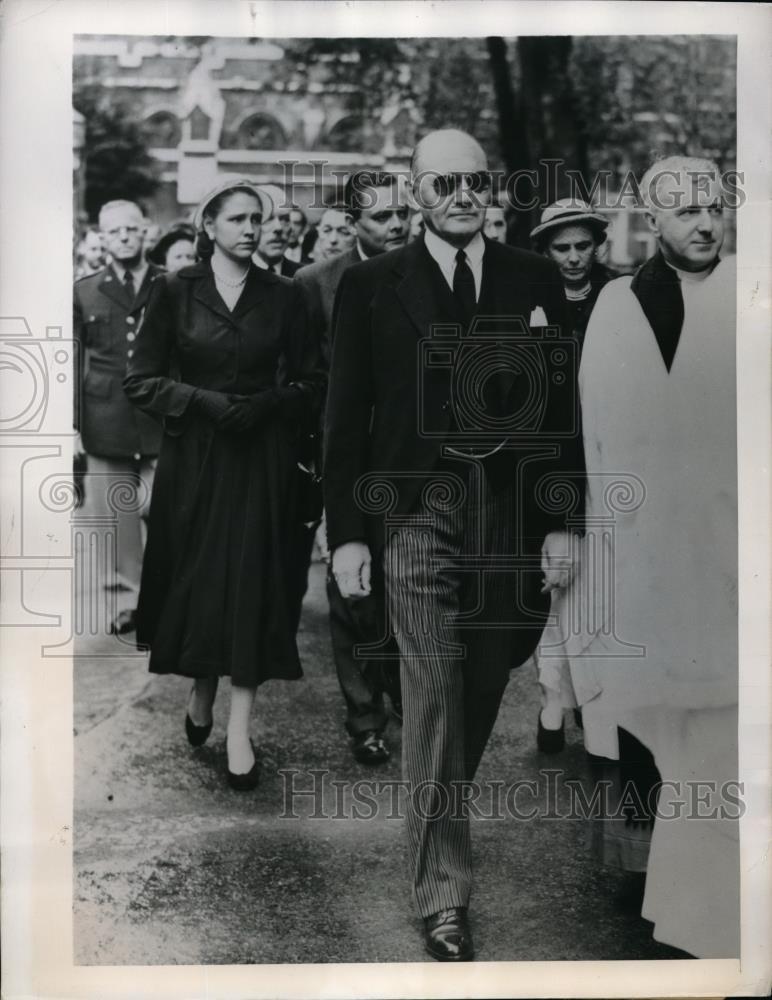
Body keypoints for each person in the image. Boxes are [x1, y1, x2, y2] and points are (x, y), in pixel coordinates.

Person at [324, 129, 582, 961]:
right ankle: (442, 893)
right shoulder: (371, 285)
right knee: (431, 682)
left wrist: (563, 521)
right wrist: (349, 537)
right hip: (415, 509)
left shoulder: (533, 276)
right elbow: (345, 417)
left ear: (490, 190)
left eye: (476, 181)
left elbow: (558, 413)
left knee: (489, 669)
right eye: (445, 183)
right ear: (418, 191)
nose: (463, 194)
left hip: (506, 508)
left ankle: (438, 802)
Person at [556, 156, 739, 957]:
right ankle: (672, 892)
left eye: (714, 208)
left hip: (741, 549)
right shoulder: (623, 307)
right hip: (654, 554)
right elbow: (594, 431)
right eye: (687, 212)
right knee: (663, 719)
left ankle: (724, 903)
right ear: (652, 224)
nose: (705, 223)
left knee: (732, 724)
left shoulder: (751, 295)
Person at [123, 177, 323, 791]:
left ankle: (240, 728)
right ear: (207, 226)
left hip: (260, 459)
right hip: (197, 460)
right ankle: (201, 687)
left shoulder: (286, 294)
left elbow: (314, 382)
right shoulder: (174, 289)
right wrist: (205, 402)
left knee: (253, 583)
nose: (250, 229)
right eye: (236, 219)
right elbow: (142, 380)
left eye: (256, 220)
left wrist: (266, 406)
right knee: (202, 578)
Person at [296, 171, 409, 764]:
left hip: (410, 458)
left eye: (402, 214)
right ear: (354, 220)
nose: (396, 225)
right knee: (349, 590)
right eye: (382, 217)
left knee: (410, 582)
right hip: (342, 455)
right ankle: (365, 715)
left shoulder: (424, 271)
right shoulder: (315, 283)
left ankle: (405, 697)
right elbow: (305, 378)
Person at [73, 199, 164, 636]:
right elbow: (73, 360)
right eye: (115, 231)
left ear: (146, 230)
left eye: (132, 228)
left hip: (163, 418)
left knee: (167, 508)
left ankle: (169, 596)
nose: (125, 237)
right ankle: (132, 602)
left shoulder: (173, 283)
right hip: (105, 419)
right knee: (116, 521)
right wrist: (72, 424)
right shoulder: (84, 290)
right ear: (102, 237)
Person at [531, 198, 615, 351]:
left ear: (596, 246)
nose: (574, 259)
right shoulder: (531, 297)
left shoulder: (616, 291)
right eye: (562, 249)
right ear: (546, 252)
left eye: (583, 246)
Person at [252, 184, 301, 277]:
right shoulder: (233, 277)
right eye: (268, 219)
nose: (278, 228)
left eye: (285, 219)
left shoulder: (305, 278)